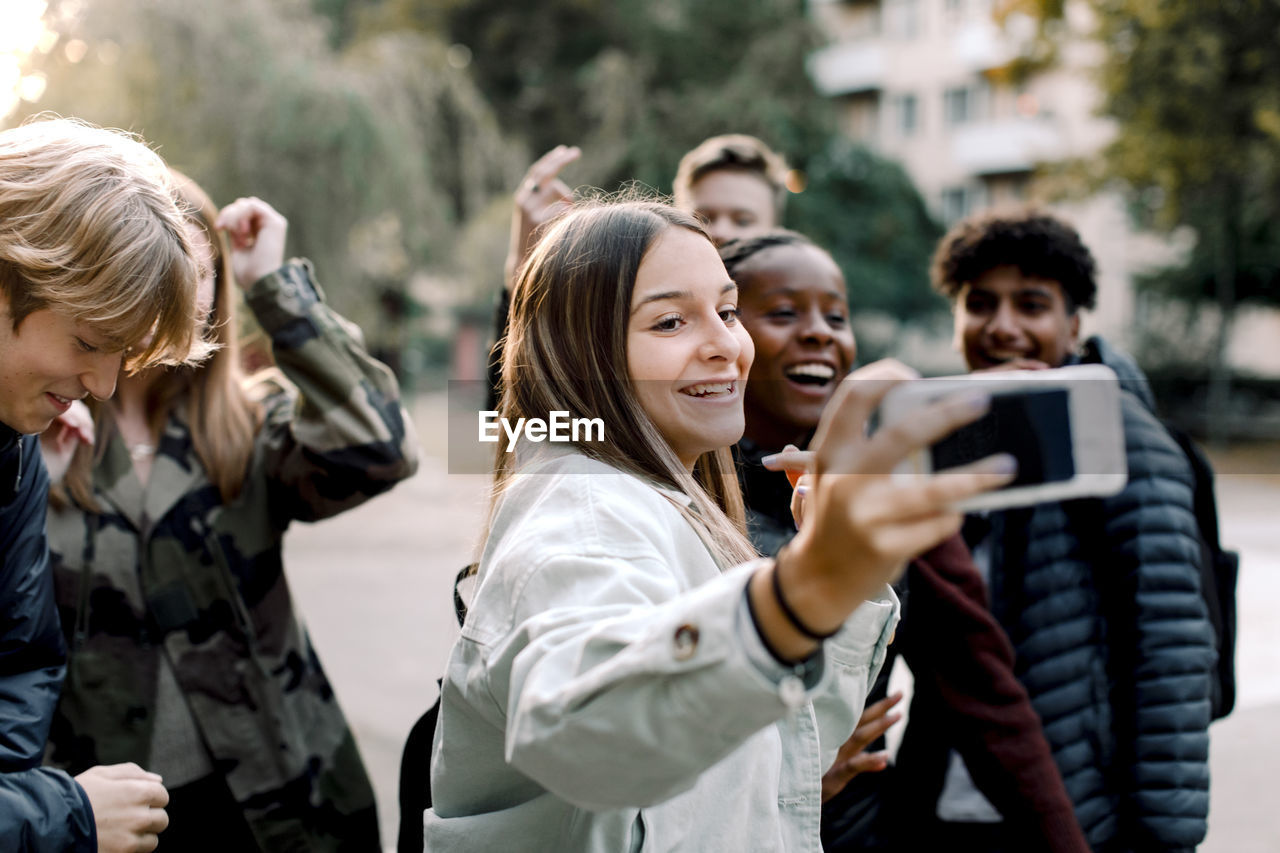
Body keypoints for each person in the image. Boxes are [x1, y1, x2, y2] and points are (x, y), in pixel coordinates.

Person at [423, 198, 1017, 850]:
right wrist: (803, 589)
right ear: (579, 352)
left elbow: (772, 757)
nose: (727, 345)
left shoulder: (670, 502)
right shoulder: (584, 513)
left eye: (728, 311)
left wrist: (841, 584)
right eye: (671, 320)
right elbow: (592, 738)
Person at [39, 174, 419, 851]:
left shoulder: (246, 420)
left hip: (279, 802)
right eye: (164, 262)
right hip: (105, 810)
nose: (187, 284)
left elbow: (381, 450)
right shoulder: (39, 421)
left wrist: (274, 289)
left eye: (203, 265)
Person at [722, 230, 1092, 852]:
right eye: (784, 312)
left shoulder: (891, 489)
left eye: (836, 315)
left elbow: (989, 698)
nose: (820, 332)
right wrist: (794, 777)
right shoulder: (674, 489)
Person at [929, 206, 1215, 850]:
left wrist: (1163, 838)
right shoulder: (957, 435)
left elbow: (1170, 652)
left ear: (1074, 325)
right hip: (954, 808)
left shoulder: (1118, 432)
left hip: (1079, 816)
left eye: (1031, 305)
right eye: (980, 304)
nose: (1003, 328)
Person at [1, 116, 205, 853]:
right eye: (88, 342)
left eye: (121, 353)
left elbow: (20, 661)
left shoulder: (14, 444)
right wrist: (63, 816)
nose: (102, 383)